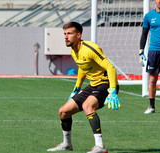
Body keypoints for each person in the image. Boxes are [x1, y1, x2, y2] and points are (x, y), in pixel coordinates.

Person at [47, 22, 120, 153]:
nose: (66, 37)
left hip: (106, 83)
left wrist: (113, 90)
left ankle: (100, 147)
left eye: (69, 33)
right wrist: (76, 88)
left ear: (78, 35)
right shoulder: (74, 50)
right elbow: (83, 68)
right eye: (64, 34)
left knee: (88, 106)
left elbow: (110, 67)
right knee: (63, 112)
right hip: (93, 85)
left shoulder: (90, 48)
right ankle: (67, 144)